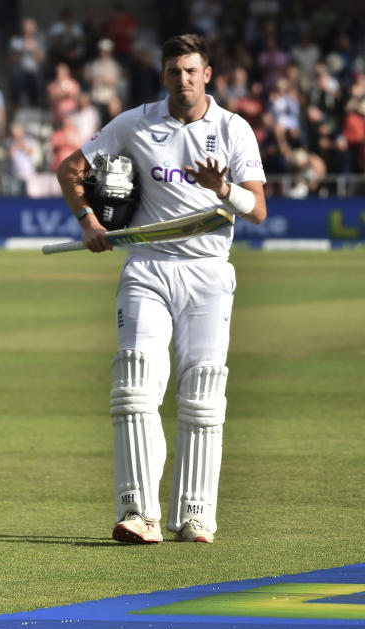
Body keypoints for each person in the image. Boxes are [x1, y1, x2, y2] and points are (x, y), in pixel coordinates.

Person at [56, 34, 267, 545]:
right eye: (175, 71)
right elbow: (70, 169)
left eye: (192, 71)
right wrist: (88, 222)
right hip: (147, 266)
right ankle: (138, 512)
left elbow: (257, 210)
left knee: (202, 393)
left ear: (208, 74)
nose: (184, 80)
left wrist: (222, 189)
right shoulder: (135, 123)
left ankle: (195, 515)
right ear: (164, 75)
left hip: (208, 270)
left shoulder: (233, 129)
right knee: (134, 385)